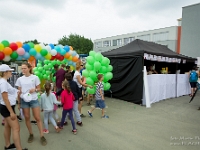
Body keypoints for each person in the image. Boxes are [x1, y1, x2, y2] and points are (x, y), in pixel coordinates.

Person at [15, 62, 47, 146]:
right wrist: (19, 103)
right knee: (27, 118)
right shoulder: (20, 79)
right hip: (24, 101)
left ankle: (42, 136)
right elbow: (19, 92)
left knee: (37, 117)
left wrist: (35, 90)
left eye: (25, 68)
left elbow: (39, 88)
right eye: (22, 68)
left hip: (34, 99)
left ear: (29, 68)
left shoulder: (35, 77)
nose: (23, 70)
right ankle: (31, 134)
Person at [0, 64, 28, 150]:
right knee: (16, 128)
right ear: (5, 73)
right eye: (9, 71)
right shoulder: (3, 83)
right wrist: (11, 112)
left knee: (8, 126)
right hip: (7, 108)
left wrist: (17, 91)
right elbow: (5, 98)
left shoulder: (3, 81)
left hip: (5, 107)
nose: (11, 72)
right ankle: (19, 149)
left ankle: (8, 145)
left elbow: (8, 94)